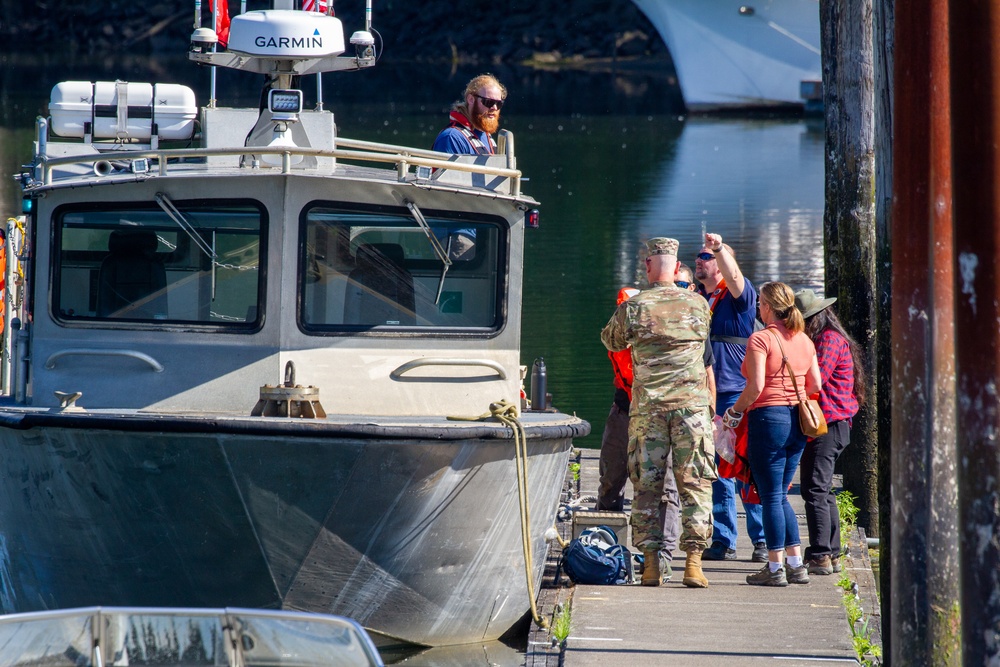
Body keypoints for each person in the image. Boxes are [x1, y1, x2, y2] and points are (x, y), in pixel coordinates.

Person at [601, 237, 716, 589]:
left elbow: (611, 341)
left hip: (649, 410)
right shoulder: (698, 305)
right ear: (677, 263)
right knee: (695, 486)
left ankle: (651, 565)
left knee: (647, 486)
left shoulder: (635, 307)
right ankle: (693, 564)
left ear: (650, 265)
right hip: (691, 410)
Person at [723, 282, 822, 586]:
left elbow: (754, 387)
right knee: (780, 496)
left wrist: (733, 413)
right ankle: (795, 564)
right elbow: (815, 386)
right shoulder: (804, 340)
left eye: (760, 305)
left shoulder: (761, 339)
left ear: (766, 306)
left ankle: (775, 567)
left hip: (769, 419)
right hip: (798, 420)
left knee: (769, 497)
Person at [695, 232, 767, 562]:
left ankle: (762, 539)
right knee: (719, 470)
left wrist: (719, 248)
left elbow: (735, 275)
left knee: (747, 467)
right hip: (705, 394)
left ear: (723, 267)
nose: (701, 259)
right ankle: (723, 538)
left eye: (707, 257)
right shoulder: (696, 299)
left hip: (738, 395)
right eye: (700, 255)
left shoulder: (740, 298)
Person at [794, 289, 865, 575]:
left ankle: (821, 554)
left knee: (814, 489)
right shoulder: (827, 338)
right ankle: (832, 552)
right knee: (823, 491)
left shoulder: (829, 341)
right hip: (833, 423)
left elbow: (816, 378)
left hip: (829, 423)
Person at [431, 73, 506, 259]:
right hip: (457, 235)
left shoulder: (487, 138)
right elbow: (443, 192)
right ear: (471, 99)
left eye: (499, 104)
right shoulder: (451, 138)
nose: (494, 108)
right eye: (488, 102)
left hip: (485, 232)